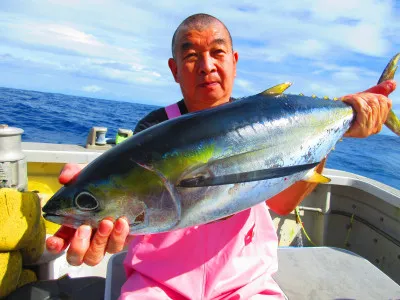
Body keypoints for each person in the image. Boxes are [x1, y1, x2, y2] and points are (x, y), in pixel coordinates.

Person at [46, 13, 396, 299]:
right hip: (159, 285)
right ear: (174, 68)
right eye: (191, 55)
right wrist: (97, 208)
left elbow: (284, 203)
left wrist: (335, 128)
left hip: (246, 282)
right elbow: (129, 198)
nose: (207, 65)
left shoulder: (271, 121)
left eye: (217, 52)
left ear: (234, 60)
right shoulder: (152, 130)